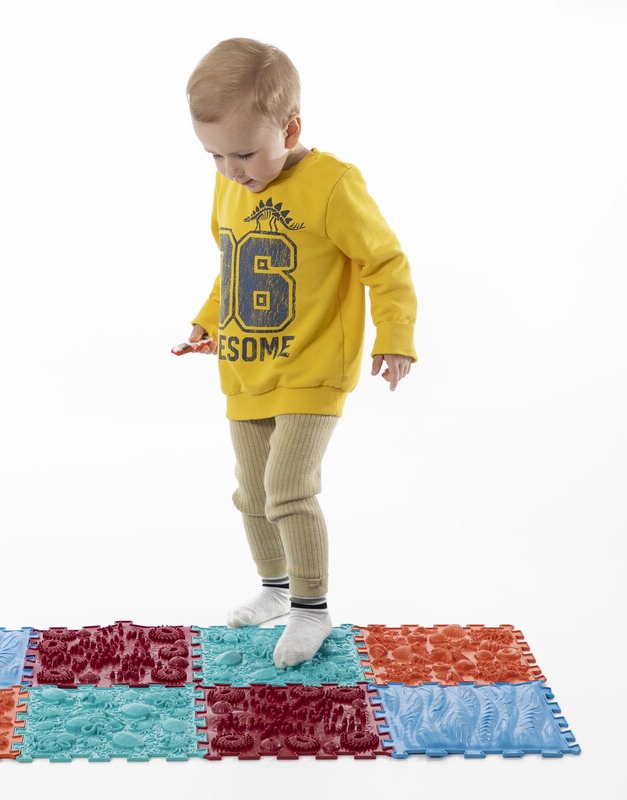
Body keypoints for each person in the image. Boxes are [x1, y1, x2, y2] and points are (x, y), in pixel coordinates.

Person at [182, 38, 418, 668]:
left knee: (288, 488)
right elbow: (232, 267)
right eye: (214, 155)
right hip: (245, 369)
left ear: (290, 129)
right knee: (252, 494)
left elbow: (385, 262)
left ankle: (312, 607)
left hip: (313, 369)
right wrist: (207, 322)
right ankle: (276, 588)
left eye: (244, 153)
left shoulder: (332, 184)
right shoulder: (230, 187)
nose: (231, 169)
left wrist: (395, 336)